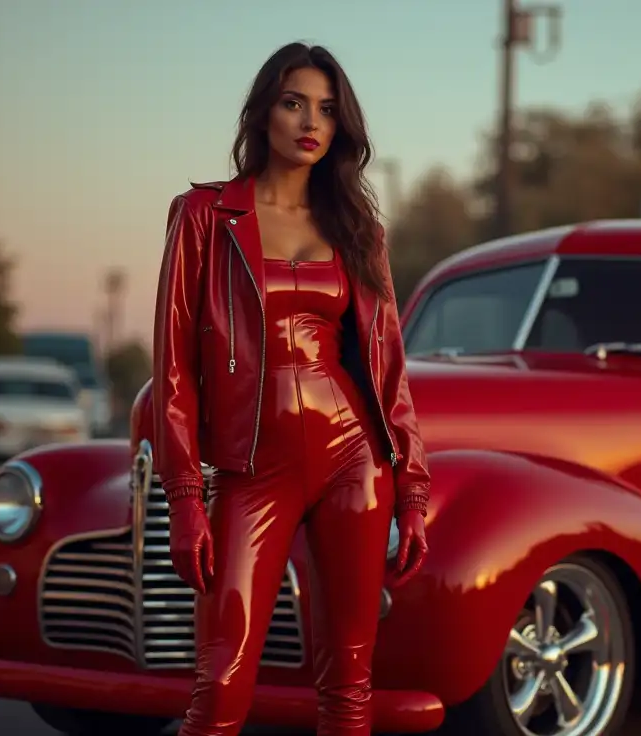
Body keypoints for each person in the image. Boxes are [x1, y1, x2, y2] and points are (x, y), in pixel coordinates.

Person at [151, 41, 432, 736]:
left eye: (328, 110)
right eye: (294, 102)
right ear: (262, 113)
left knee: (349, 687)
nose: (312, 121)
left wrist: (414, 492)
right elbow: (174, 367)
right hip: (251, 468)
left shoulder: (358, 229)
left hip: (353, 460)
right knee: (219, 686)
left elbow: (389, 367)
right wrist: (186, 497)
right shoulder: (204, 216)